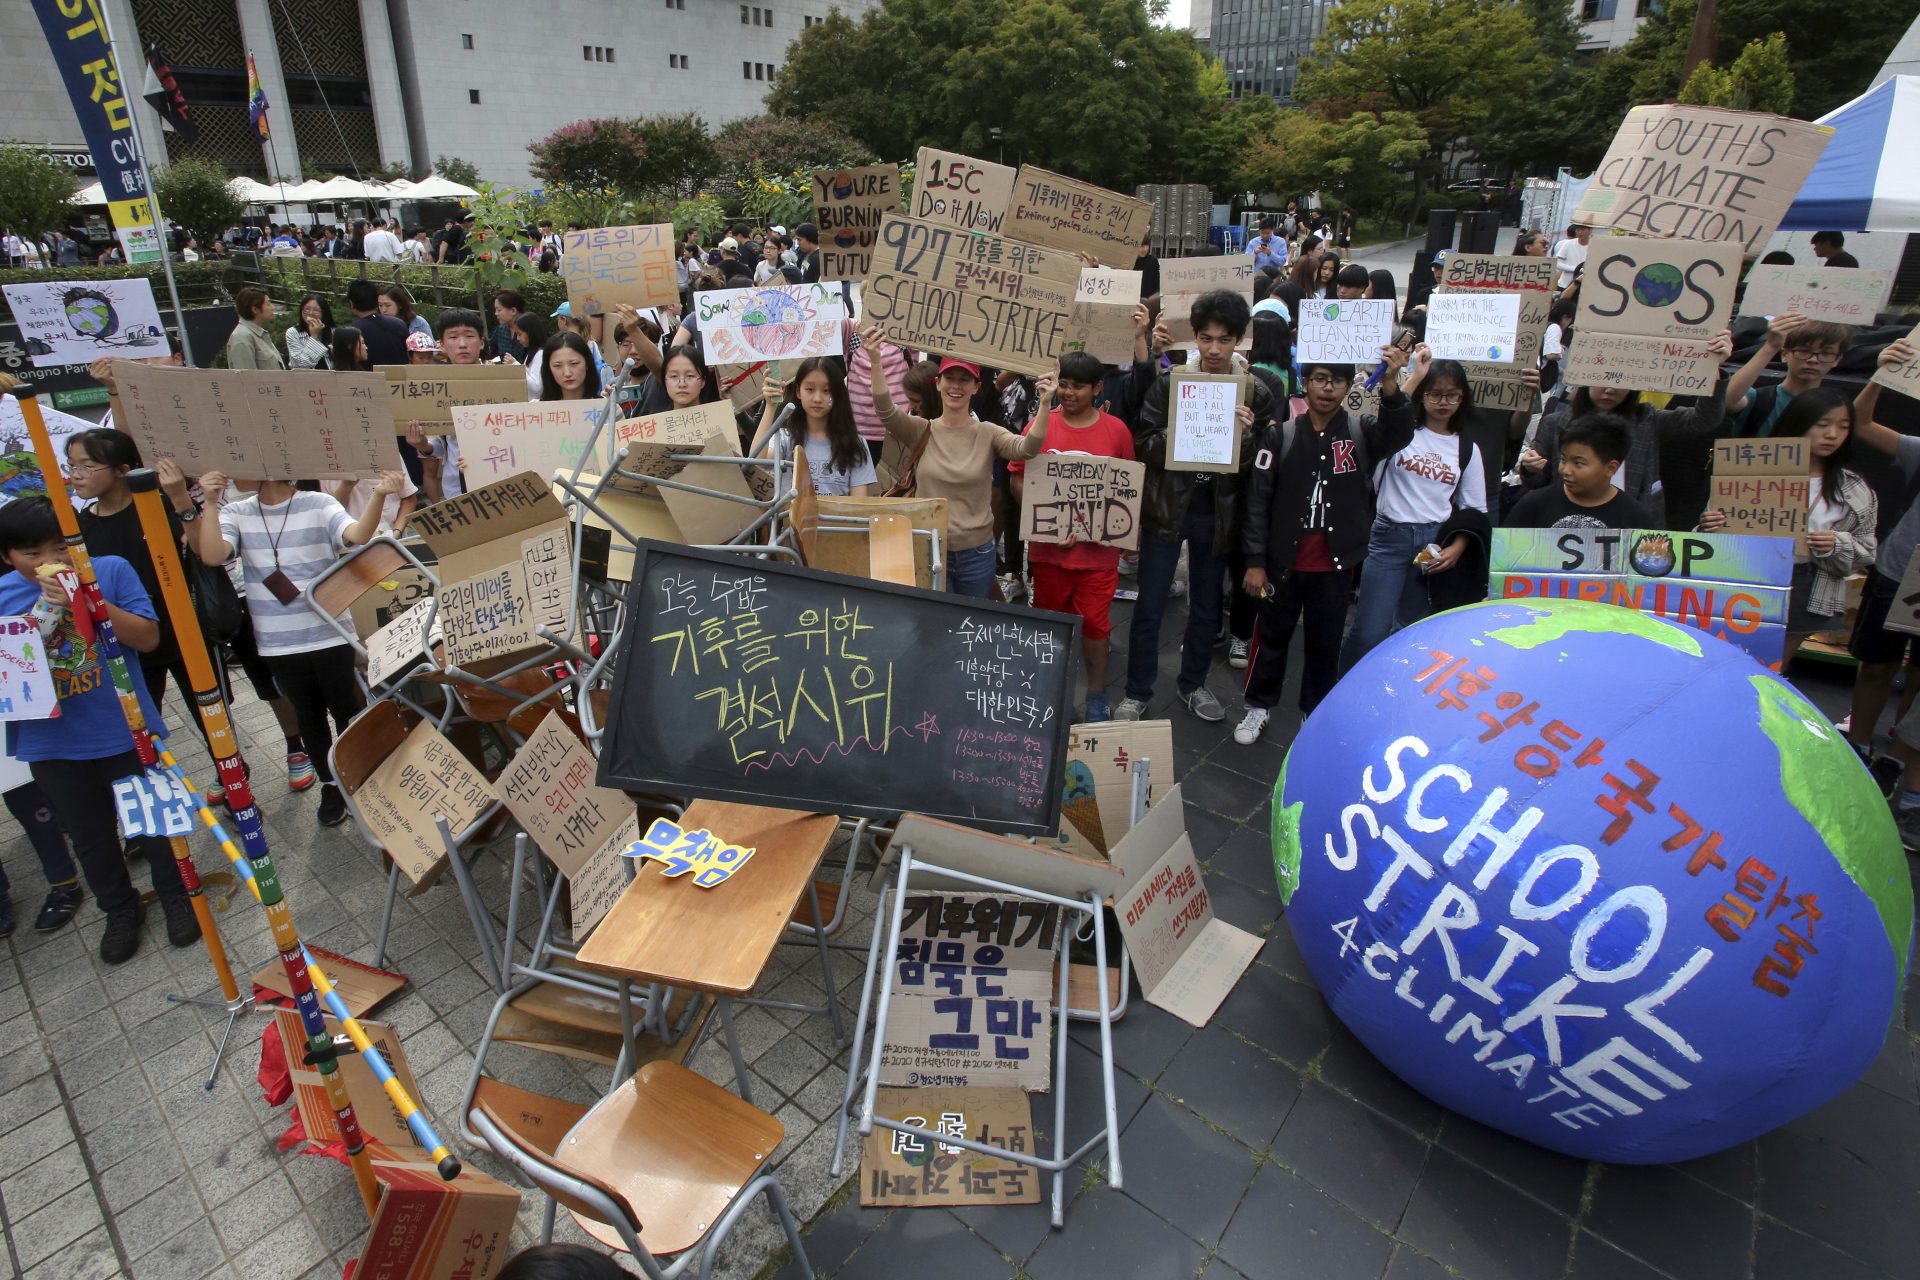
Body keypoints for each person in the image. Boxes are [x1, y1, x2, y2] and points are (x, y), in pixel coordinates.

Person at [0, 495, 203, 962]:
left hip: (122, 726)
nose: (51, 562)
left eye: (61, 547)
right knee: (90, 835)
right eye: (33, 555)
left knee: (153, 821)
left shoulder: (109, 570)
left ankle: (176, 896)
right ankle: (118, 908)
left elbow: (148, 638)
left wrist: (87, 602)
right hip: (50, 741)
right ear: (8, 556)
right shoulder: (5, 595)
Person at [164, 458, 401, 828]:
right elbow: (211, 555)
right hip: (277, 642)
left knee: (346, 709)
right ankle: (330, 785)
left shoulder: (317, 503)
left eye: (237, 460)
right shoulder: (237, 511)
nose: (228, 469)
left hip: (329, 630)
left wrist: (380, 494)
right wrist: (206, 503)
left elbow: (356, 536)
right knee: (308, 715)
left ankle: (363, 777)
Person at [1237, 345, 1414, 743]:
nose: (1327, 388)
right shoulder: (1278, 435)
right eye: (1319, 378)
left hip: (1335, 565)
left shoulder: (1360, 432)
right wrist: (1254, 560)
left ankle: (1312, 713)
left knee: (1325, 642)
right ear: (1306, 382)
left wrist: (1390, 383)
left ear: (1349, 386)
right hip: (1283, 561)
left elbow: (1399, 432)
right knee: (1271, 637)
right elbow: (1257, 501)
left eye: (1336, 380)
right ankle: (1257, 707)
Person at [1116, 290, 1276, 722]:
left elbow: (1260, 467)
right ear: (1197, 337)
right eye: (1206, 339)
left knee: (1206, 606)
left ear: (1239, 341)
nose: (1213, 350)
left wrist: (1244, 438)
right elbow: (1143, 440)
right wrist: (1182, 434)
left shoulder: (1255, 392)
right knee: (1150, 604)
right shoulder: (1171, 384)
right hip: (1168, 508)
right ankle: (1136, 690)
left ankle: (1193, 684)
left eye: (1224, 340)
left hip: (1218, 514)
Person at [858, 325, 1052, 597]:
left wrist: (1045, 405)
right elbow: (886, 411)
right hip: (930, 549)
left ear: (976, 387)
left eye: (965, 379)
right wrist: (876, 361)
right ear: (938, 383)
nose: (956, 386)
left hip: (977, 553)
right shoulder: (921, 430)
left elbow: (1028, 448)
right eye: (950, 378)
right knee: (935, 627)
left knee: (968, 629)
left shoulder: (988, 433)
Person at [1337, 350, 1495, 672]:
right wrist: (1411, 377)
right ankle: (1342, 689)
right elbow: (1386, 414)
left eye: (1453, 395)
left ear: (1463, 399)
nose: (1443, 402)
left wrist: (1457, 547)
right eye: (1435, 393)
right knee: (1369, 631)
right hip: (1387, 538)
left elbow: (1475, 509)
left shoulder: (1467, 448)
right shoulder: (1401, 431)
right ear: (1423, 396)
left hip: (1431, 544)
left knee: (1411, 629)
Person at [1005, 352, 1139, 720]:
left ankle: (1096, 695)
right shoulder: (1040, 423)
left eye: (1078, 386)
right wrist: (1045, 515)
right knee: (1051, 628)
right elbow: (1017, 476)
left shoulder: (1117, 431)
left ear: (1097, 388)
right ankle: (1051, 692)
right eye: (1063, 384)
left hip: (1097, 557)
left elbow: (1128, 489)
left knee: (1096, 626)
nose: (1068, 392)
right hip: (1049, 555)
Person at [1699, 387, 1875, 661]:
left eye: (1843, 427)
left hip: (1808, 580)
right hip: (1746, 576)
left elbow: (1867, 550)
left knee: (1773, 667)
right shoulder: (1752, 471)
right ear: (1799, 423)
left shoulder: (1853, 487)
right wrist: (1709, 526)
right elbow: (1703, 541)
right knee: (1723, 656)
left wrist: (1836, 543)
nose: (1832, 435)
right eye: (1823, 424)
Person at [1515, 332, 1734, 529]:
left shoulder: (1648, 419)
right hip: (1565, 525)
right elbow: (1537, 482)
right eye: (1602, 379)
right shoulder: (1556, 422)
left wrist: (1713, 369)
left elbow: (1704, 420)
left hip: (1631, 529)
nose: (1610, 389)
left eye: (1619, 380)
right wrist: (1531, 467)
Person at [1843, 340, 1920, 823]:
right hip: (1899, 570)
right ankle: (1859, 745)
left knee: (1919, 673)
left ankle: (1899, 755)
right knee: (1876, 664)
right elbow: (1862, 423)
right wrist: (1883, 373)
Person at [750, 357, 876, 497]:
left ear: (838, 393)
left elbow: (858, 506)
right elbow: (756, 462)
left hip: (837, 518)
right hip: (791, 519)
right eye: (810, 389)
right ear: (798, 391)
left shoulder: (855, 444)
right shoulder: (785, 438)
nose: (817, 398)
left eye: (826, 390)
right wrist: (770, 406)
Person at [1502, 414, 1650, 529]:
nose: (1566, 470)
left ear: (1611, 468)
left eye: (1578, 463)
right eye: (1563, 459)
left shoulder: (1634, 518)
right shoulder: (1532, 506)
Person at [405, 308, 489, 502]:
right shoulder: (433, 388)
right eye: (453, 337)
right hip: (455, 486)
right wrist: (423, 445)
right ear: (441, 345)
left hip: (497, 477)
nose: (462, 344)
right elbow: (441, 444)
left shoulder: (504, 383)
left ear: (481, 342)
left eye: (469, 336)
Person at [1721, 313, 1849, 437]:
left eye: (1826, 353)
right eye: (1804, 351)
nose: (1813, 360)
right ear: (1785, 354)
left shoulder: (1838, 409)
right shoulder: (1759, 399)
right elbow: (1726, 399)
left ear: (1837, 359)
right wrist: (1771, 345)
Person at [346, 277, 410, 366]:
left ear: (351, 303)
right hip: (400, 377)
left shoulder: (351, 331)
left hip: (366, 378)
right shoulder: (399, 324)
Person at [223, 286, 283, 370]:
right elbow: (247, 378)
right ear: (255, 309)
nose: (273, 308)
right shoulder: (241, 337)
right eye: (268, 304)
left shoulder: (258, 333)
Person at [538, 332, 602, 402]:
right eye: (557, 365)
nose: (567, 373)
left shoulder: (606, 407)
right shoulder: (538, 410)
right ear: (548, 368)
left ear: (587, 363)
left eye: (574, 363)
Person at [284, 294, 334, 370]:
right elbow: (301, 365)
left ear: (324, 312)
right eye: (306, 309)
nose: (311, 313)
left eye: (316, 310)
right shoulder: (293, 333)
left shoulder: (333, 332)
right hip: (305, 379)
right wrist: (314, 336)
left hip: (332, 378)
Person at [513, 314, 550, 396]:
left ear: (530, 333)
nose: (518, 338)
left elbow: (536, 387)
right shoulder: (530, 353)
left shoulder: (540, 354)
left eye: (519, 334)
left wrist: (516, 365)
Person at [490, 290, 527, 361]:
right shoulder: (500, 330)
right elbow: (492, 353)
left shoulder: (529, 329)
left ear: (513, 311)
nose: (496, 313)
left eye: (499, 310)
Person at [1554, 224, 1590, 290]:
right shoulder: (1569, 243)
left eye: (1583, 229)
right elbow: (1557, 263)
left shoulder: (1592, 246)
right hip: (1565, 284)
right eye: (1578, 229)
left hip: (1582, 286)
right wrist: (1575, 269)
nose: (1580, 232)